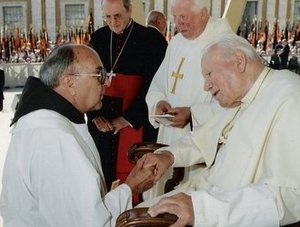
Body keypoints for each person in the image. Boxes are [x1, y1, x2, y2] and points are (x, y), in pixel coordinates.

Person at [142, 34, 300, 226]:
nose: (206, 86)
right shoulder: (241, 97)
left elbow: (291, 196)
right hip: (201, 197)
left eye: (209, 74)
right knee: (131, 215)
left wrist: (203, 210)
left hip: (222, 215)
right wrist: (169, 155)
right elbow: (202, 139)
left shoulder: (290, 96)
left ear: (239, 62)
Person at [0, 44, 156, 227]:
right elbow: (89, 223)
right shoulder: (53, 137)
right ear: (70, 83)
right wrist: (130, 188)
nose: (106, 82)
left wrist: (110, 194)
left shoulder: (49, 122)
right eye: (99, 75)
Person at [144, 0, 233, 199]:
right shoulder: (176, 42)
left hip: (201, 141)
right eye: (175, 17)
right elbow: (158, 83)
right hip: (169, 135)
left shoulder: (225, 44)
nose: (179, 23)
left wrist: (193, 114)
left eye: (184, 17)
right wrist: (159, 101)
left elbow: (232, 102)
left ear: (203, 14)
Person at [86, 0, 167, 190]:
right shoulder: (97, 38)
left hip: (137, 123)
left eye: (117, 16)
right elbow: (86, 82)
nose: (112, 22)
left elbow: (156, 86)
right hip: (103, 127)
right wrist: (94, 115)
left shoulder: (151, 40)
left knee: (137, 183)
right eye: (107, 17)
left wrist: (128, 118)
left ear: (129, 10)